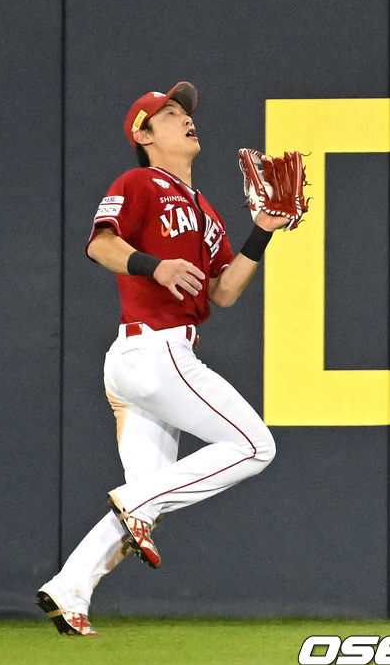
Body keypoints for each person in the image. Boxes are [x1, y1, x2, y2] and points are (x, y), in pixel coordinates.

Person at [36, 81, 286, 636]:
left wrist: (261, 233)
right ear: (143, 135)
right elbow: (101, 245)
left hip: (144, 364)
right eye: (168, 115)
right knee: (253, 446)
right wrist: (156, 266)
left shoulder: (207, 210)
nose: (184, 119)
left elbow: (222, 292)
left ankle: (69, 586)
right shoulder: (140, 182)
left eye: (185, 113)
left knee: (147, 507)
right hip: (154, 350)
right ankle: (137, 501)